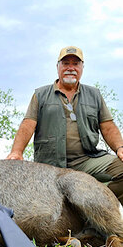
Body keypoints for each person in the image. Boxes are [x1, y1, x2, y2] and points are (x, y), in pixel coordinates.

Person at [7, 46, 123, 204]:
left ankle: (94, 209)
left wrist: (120, 148)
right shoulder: (40, 94)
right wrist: (16, 152)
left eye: (76, 64)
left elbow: (108, 127)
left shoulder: (94, 94)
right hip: (50, 165)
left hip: (86, 160)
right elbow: (28, 124)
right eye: (66, 63)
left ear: (82, 68)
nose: (71, 68)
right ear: (58, 67)